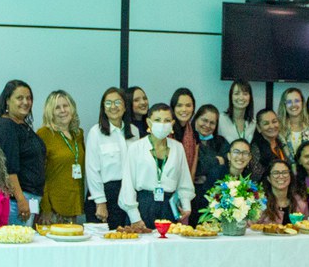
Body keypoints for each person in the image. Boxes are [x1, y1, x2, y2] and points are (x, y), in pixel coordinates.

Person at [119, 103, 194, 228]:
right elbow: (128, 184)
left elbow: (184, 181)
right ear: (149, 122)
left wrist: (186, 206)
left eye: (167, 120)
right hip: (143, 205)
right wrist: (134, 217)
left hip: (168, 207)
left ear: (172, 123)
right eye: (158, 120)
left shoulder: (178, 148)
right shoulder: (136, 148)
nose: (162, 124)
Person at [0, 80, 46, 226]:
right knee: (17, 245)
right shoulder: (6, 126)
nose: (26, 102)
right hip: (17, 201)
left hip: (30, 197)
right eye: (19, 98)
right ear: (7, 100)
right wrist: (21, 199)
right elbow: (8, 169)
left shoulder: (22, 125)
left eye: (29, 98)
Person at [86, 87, 138, 230]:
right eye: (108, 103)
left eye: (117, 102)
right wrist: (100, 202)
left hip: (128, 193)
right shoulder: (96, 132)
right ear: (103, 108)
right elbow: (92, 170)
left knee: (127, 239)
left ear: (125, 106)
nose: (113, 107)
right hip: (105, 194)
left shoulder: (134, 131)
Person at [37, 90, 86, 224]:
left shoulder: (78, 134)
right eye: (57, 108)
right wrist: (45, 207)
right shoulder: (44, 134)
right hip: (53, 208)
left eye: (66, 106)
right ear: (50, 112)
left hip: (74, 204)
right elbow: (40, 174)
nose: (63, 110)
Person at [188, 104, 229, 226]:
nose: (207, 125)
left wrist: (207, 165)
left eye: (212, 123)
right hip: (193, 198)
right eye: (204, 120)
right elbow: (199, 167)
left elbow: (227, 166)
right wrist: (216, 161)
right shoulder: (189, 139)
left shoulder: (220, 141)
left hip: (215, 199)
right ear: (196, 118)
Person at [278, 87, 309, 163]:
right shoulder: (279, 129)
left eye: (297, 101)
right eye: (289, 102)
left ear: (302, 103)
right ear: (284, 105)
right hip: (285, 173)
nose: (293, 105)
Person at [257, 158, 307, 224]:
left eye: (285, 172)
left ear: (290, 177)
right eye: (276, 173)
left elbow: (306, 230)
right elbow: (250, 230)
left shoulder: (301, 204)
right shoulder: (260, 204)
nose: (281, 176)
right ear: (269, 178)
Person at [252, 107, 293, 180]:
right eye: (266, 123)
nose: (272, 126)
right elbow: (256, 178)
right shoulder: (255, 149)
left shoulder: (282, 144)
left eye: (274, 121)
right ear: (258, 128)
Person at [170, 87, 197, 170]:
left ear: (193, 108)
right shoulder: (165, 132)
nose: (184, 109)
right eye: (179, 105)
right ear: (173, 108)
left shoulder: (194, 135)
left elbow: (192, 169)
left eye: (188, 105)